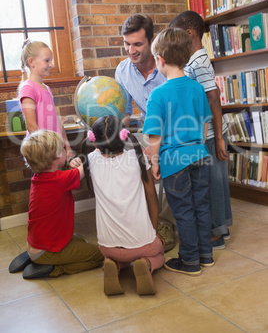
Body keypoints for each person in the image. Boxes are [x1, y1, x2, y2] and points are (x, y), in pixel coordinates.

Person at [143, 28, 213, 276]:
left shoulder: (157, 95)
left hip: (175, 161)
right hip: (201, 155)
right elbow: (205, 123)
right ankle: (206, 255)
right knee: (202, 207)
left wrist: (154, 164)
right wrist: (198, 147)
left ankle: (190, 260)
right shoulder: (196, 89)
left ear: (160, 60)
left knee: (183, 210)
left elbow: (154, 137)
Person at [77, 115, 164, 295]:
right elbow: (152, 199)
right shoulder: (138, 157)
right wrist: (153, 231)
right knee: (159, 249)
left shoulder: (90, 161)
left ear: (94, 140)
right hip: (142, 244)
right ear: (124, 137)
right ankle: (146, 264)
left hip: (107, 247)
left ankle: (113, 264)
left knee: (121, 253)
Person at [169, 11, 233, 249]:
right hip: (204, 134)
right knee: (211, 183)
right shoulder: (193, 61)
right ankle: (218, 228)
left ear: (188, 34)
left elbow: (214, 100)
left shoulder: (199, 62)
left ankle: (216, 232)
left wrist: (218, 138)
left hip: (211, 135)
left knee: (214, 183)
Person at [115, 15, 176, 251]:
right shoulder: (123, 70)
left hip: (174, 129)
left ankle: (168, 224)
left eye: (138, 44)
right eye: (127, 44)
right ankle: (146, 222)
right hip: (147, 128)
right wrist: (118, 136)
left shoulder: (167, 67)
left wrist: (156, 147)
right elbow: (125, 112)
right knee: (131, 163)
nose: (131, 50)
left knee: (171, 163)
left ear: (150, 41)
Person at [9, 129, 104, 279]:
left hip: (36, 244)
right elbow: (86, 168)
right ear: (56, 156)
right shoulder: (60, 180)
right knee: (97, 256)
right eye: (63, 148)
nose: (65, 150)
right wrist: (97, 150)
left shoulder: (39, 177)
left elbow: (68, 175)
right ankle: (54, 268)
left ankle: (36, 257)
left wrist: (73, 165)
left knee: (79, 239)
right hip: (45, 251)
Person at [18, 39, 74, 161]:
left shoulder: (47, 89)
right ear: (31, 62)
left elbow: (56, 121)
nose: (51, 64)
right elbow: (32, 126)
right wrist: (49, 152)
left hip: (56, 151)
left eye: (51, 60)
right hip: (43, 154)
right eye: (47, 60)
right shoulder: (28, 88)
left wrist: (67, 147)